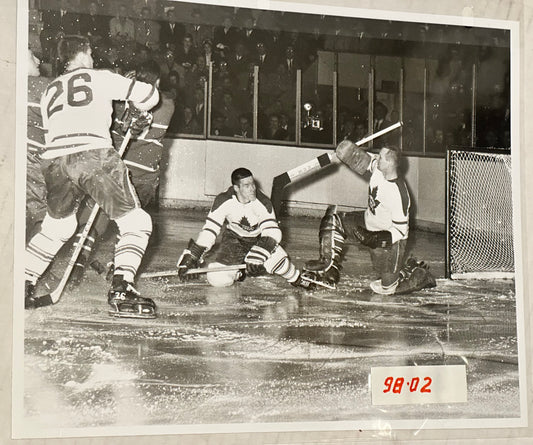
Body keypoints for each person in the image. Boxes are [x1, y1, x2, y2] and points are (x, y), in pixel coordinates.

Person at [24, 36, 160, 318]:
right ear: (84, 54)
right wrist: (139, 111)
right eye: (90, 53)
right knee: (137, 221)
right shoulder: (100, 76)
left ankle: (22, 281)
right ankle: (122, 287)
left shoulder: (50, 89)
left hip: (56, 161)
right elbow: (151, 96)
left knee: (57, 228)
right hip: (93, 155)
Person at [69, 60, 174, 285]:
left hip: (117, 171)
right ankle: (120, 265)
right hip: (144, 177)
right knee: (131, 223)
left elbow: (128, 120)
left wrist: (125, 89)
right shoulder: (168, 104)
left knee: (98, 216)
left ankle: (79, 261)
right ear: (156, 82)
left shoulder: (118, 104)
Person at [306, 141, 436, 295]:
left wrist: (375, 238)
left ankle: (419, 275)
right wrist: (348, 152)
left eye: (380, 157)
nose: (377, 158)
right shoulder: (379, 169)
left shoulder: (399, 193)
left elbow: (401, 232)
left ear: (389, 163)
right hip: (366, 223)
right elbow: (365, 161)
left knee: (388, 288)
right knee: (334, 219)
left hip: (387, 241)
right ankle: (328, 268)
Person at [176, 168, 314, 289]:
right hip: (233, 240)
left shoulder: (262, 202)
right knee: (216, 278)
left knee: (279, 264)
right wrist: (192, 256)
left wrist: (259, 254)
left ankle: (296, 278)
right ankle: (238, 272)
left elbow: (272, 231)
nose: (252, 188)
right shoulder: (223, 200)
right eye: (246, 185)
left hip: (258, 239)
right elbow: (210, 230)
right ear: (236, 188)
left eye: (252, 184)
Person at [26, 50, 51, 240]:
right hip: (31, 157)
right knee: (39, 216)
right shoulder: (39, 85)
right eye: (31, 56)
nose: (38, 60)